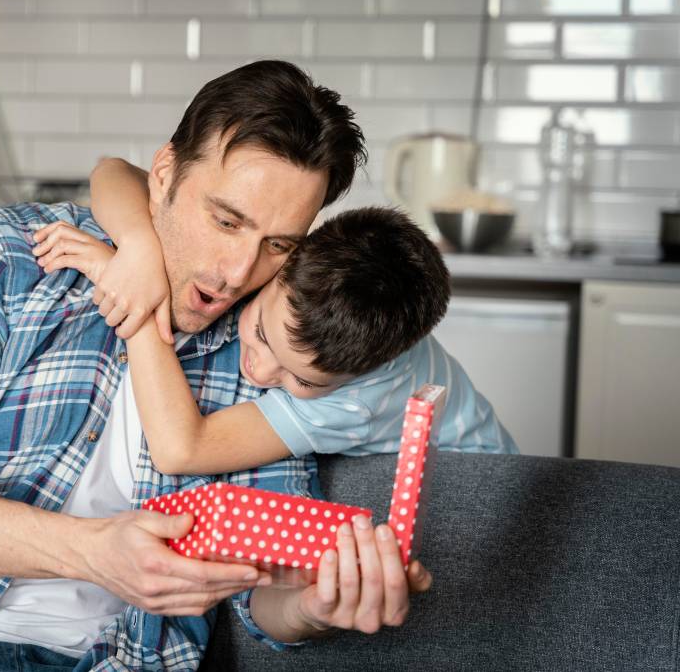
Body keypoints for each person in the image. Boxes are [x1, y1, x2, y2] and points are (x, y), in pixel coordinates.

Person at [0, 60, 431, 672]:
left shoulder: (265, 356)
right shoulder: (1, 254)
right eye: (225, 220)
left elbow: (262, 589)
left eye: (277, 245)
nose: (237, 273)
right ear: (163, 174)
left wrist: (315, 608)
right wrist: (94, 554)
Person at [32, 162, 516, 478]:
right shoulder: (288, 264)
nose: (260, 372)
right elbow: (114, 172)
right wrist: (136, 249)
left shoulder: (357, 401)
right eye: (262, 332)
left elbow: (181, 450)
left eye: (302, 379)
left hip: (472, 488)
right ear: (292, 259)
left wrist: (130, 303)